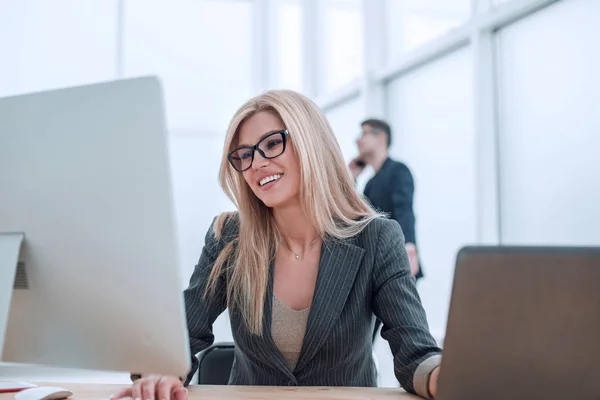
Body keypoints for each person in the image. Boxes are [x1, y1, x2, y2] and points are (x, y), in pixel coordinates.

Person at [112, 90, 442, 400]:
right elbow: (183, 334)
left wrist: (446, 377)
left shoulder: (377, 238)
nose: (256, 163)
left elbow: (415, 352)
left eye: (272, 144)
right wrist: (161, 373)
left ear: (311, 144)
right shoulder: (230, 237)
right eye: (244, 155)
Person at [349, 119, 423, 281]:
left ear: (381, 137)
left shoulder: (398, 170)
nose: (357, 140)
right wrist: (351, 178)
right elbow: (358, 216)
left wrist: (409, 245)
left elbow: (404, 209)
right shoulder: (370, 183)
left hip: (397, 256)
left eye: (364, 133)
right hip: (377, 260)